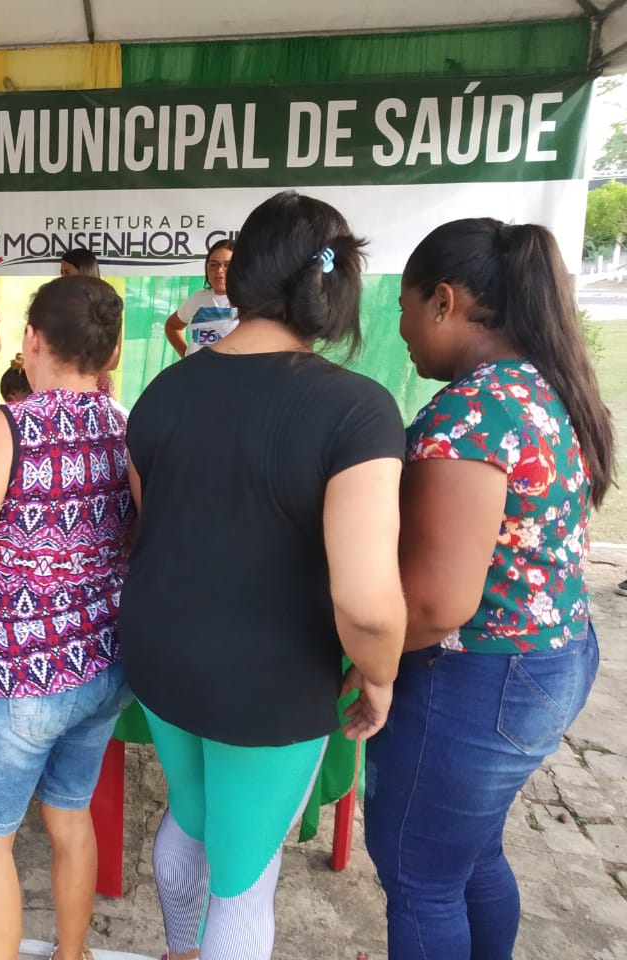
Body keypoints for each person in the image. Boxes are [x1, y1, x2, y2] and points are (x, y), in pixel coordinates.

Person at [119, 191, 407, 960]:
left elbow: (155, 529)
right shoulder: (357, 410)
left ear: (237, 278)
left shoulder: (161, 390)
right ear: (333, 288)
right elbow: (368, 603)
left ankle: (180, 950)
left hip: (162, 655)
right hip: (269, 682)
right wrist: (378, 678)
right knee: (243, 880)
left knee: (194, 818)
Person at [365, 219, 613, 960]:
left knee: (420, 879)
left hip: (478, 679)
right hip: (552, 660)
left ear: (442, 302)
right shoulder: (545, 385)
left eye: (406, 307)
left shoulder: (469, 414)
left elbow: (440, 601)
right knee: (470, 856)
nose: (401, 329)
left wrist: (368, 661)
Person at [0, 274, 135, 960]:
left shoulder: (7, 427)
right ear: (109, 355)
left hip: (22, 674)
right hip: (102, 663)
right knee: (69, 816)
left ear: (31, 340)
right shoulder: (124, 424)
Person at [59, 247, 119, 397]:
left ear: (84, 271)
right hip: (63, 385)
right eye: (61, 273)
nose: (62, 278)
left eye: (67, 272)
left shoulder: (109, 301)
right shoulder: (60, 303)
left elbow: (114, 359)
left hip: (95, 385)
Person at [164, 240, 237, 359]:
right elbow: (172, 326)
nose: (219, 270)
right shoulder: (197, 299)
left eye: (227, 265)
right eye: (213, 265)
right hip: (196, 375)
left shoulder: (250, 302)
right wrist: (187, 357)